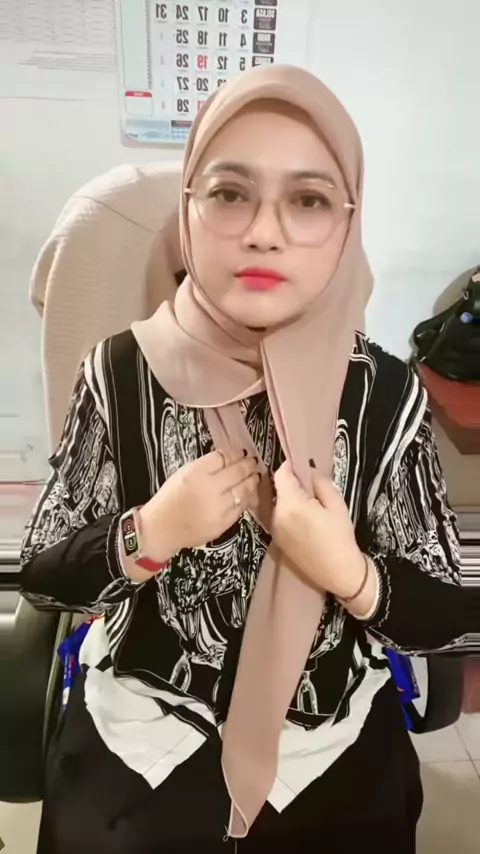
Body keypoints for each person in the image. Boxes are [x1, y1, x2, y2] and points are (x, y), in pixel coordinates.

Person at [20, 65, 476, 854]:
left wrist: (352, 574)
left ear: (347, 222)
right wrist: (149, 533)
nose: (265, 231)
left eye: (308, 200)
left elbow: (445, 615)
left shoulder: (385, 394)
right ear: (188, 208)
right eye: (230, 193)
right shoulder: (120, 370)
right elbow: (43, 571)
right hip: (145, 728)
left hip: (327, 736)